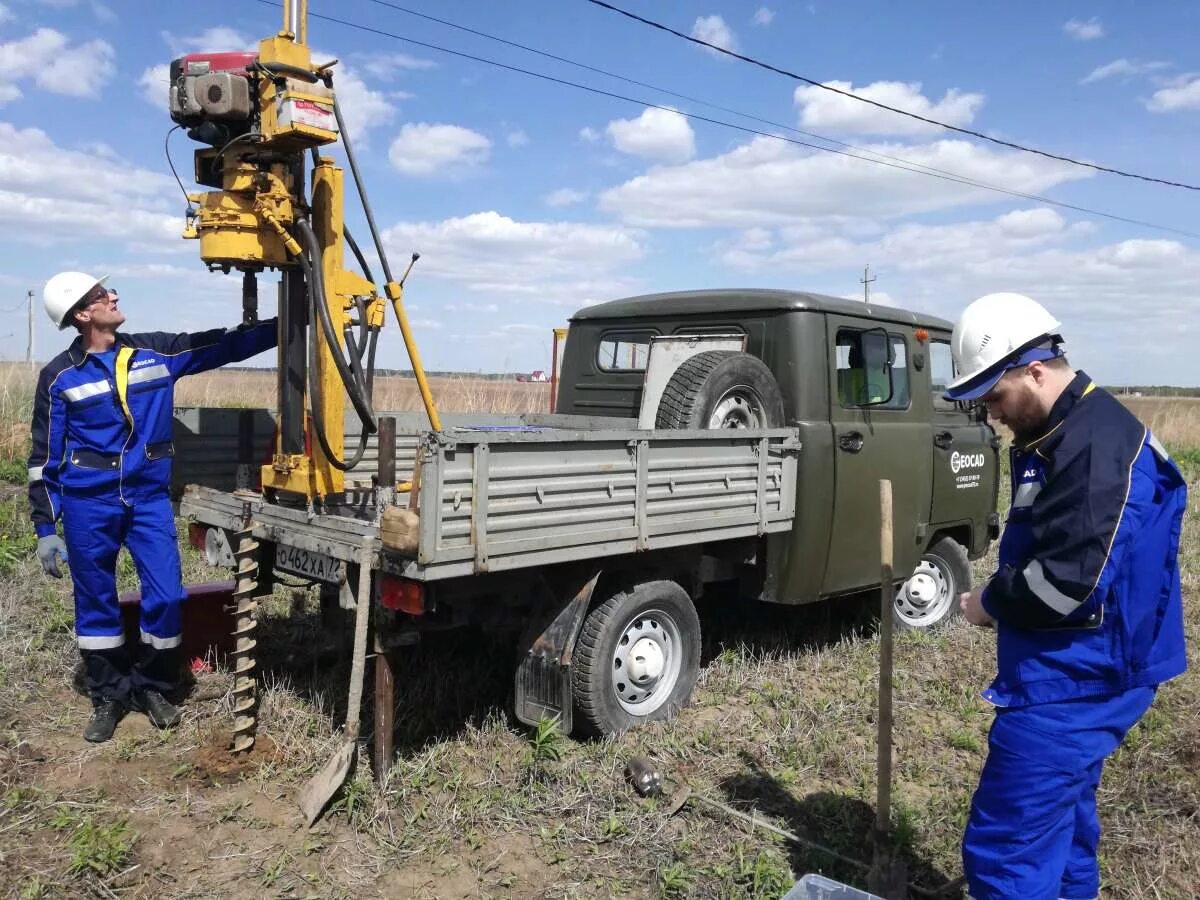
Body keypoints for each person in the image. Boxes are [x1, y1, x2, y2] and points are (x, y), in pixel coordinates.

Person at [944, 292, 1187, 900]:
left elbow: (1066, 582)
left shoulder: (1095, 445)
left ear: (1034, 369)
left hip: (1080, 678)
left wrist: (989, 603)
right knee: (1065, 828)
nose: (992, 414)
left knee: (1008, 847)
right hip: (1069, 666)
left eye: (992, 397)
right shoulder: (1059, 430)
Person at [29, 271, 278, 743]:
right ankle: (109, 694)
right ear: (83, 315)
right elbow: (44, 457)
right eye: (102, 295)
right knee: (95, 600)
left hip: (147, 501)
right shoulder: (59, 376)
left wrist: (282, 327)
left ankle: (155, 685)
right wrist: (46, 527)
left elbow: (218, 346)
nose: (114, 295)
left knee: (166, 594)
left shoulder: (154, 353)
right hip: (88, 504)